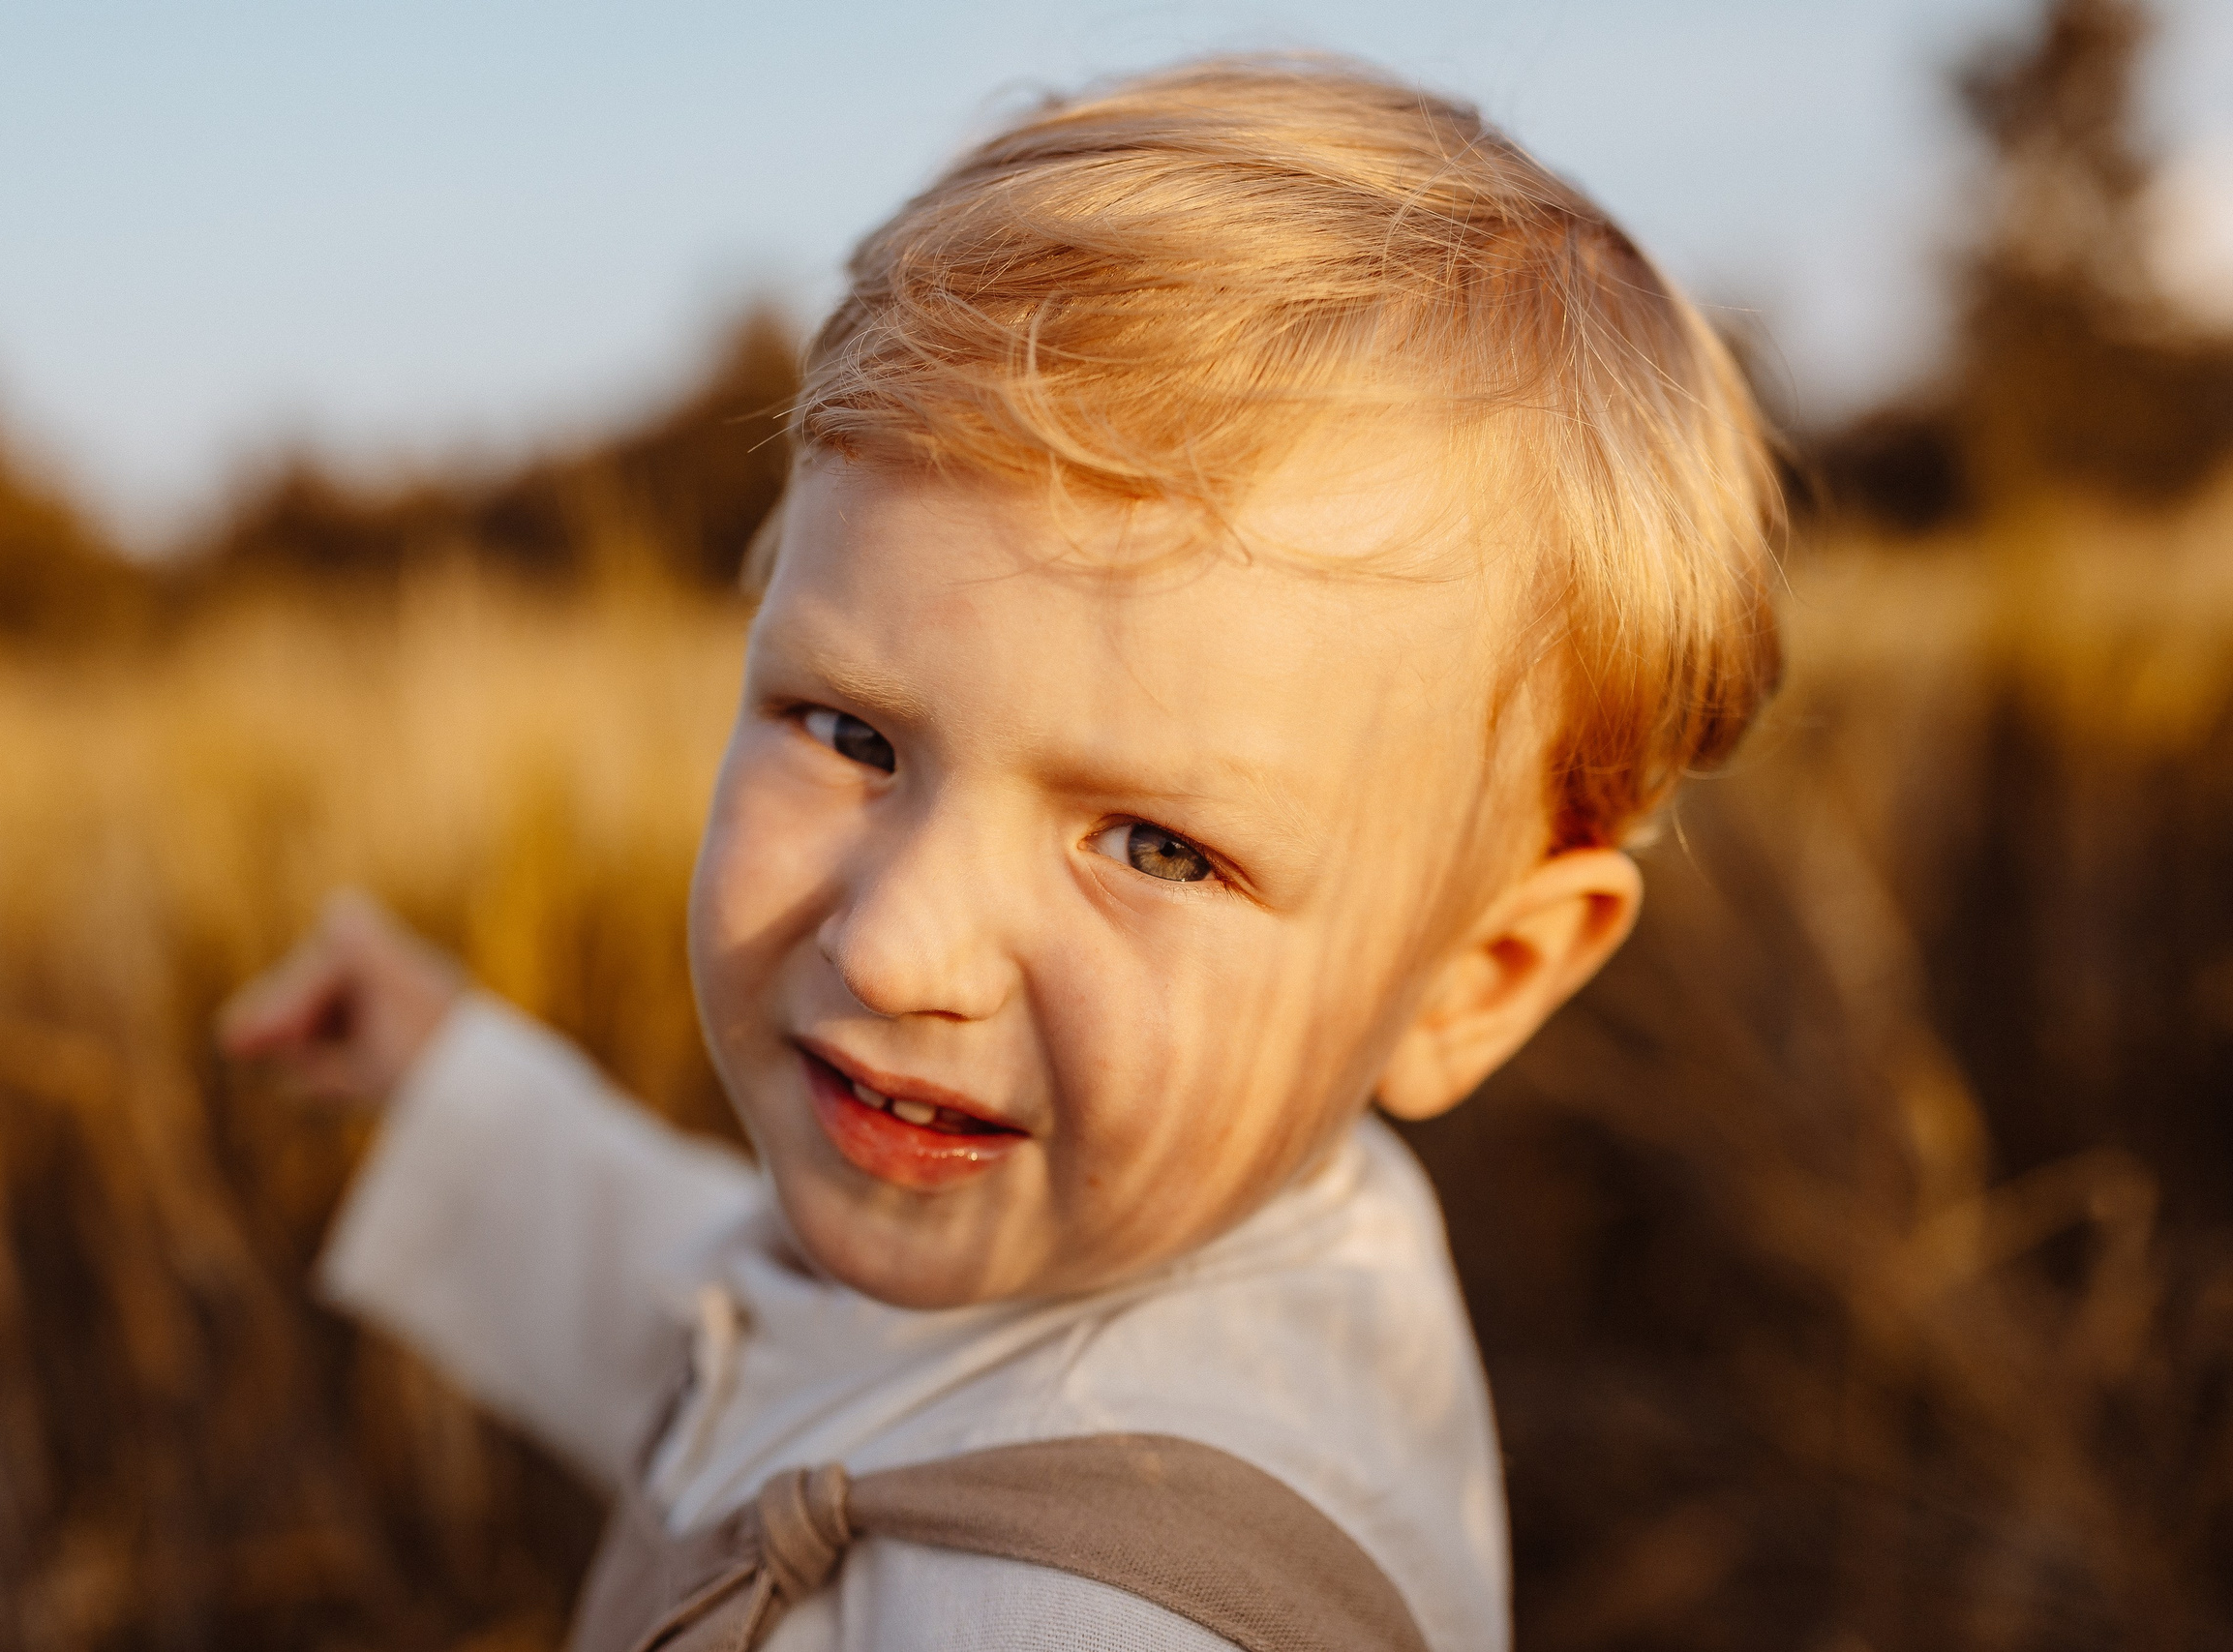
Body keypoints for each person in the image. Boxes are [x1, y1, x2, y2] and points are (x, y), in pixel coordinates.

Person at [219, 54, 1780, 1652]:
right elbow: (716, 1329)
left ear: (1476, 981)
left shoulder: (1090, 1615)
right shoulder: (1187, 1213)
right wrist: (448, 1079)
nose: (897, 946)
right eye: (850, 736)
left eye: (1158, 848)